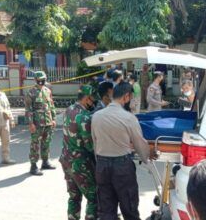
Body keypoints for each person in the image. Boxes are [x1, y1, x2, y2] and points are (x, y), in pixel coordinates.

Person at [92, 82, 151, 220]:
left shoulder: (97, 116)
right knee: (129, 208)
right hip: (122, 167)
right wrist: (147, 158)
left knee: (106, 210)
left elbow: (95, 142)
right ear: (126, 96)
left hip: (101, 166)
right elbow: (139, 144)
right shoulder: (129, 118)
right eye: (130, 98)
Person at [60, 85, 97, 220]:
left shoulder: (68, 109)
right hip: (80, 163)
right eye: (92, 100)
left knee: (74, 196)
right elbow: (90, 146)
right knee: (94, 196)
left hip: (66, 159)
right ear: (87, 99)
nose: (93, 103)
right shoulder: (85, 117)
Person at [25, 71, 57, 176]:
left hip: (48, 122)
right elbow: (28, 110)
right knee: (35, 145)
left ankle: (45, 162)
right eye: (39, 80)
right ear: (35, 80)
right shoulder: (31, 92)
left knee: (46, 143)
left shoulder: (48, 91)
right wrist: (31, 123)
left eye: (43, 80)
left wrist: (53, 119)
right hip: (37, 124)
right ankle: (33, 166)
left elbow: (51, 106)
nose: (41, 82)